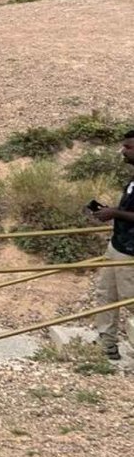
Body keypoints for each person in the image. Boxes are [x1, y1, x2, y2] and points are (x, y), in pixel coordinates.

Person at [91, 130, 134, 360]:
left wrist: (114, 212)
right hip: (118, 245)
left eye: (128, 147)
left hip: (130, 252)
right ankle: (106, 344)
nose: (123, 151)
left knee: (131, 299)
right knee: (106, 294)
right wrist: (111, 212)